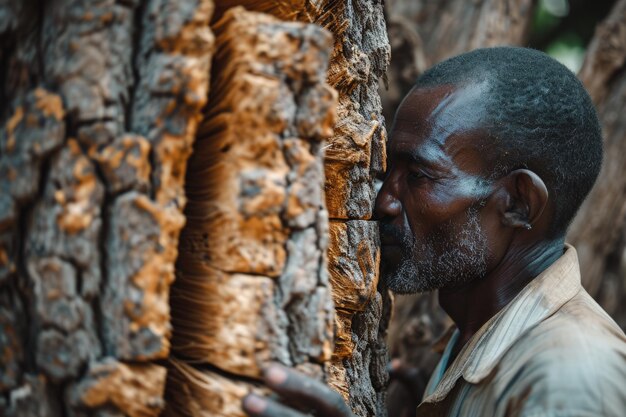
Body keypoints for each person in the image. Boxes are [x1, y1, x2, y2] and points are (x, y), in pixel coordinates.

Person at [241, 47, 626, 417]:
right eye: (387, 171)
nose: (384, 203)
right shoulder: (473, 342)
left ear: (517, 203)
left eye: (418, 176)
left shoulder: (569, 378)